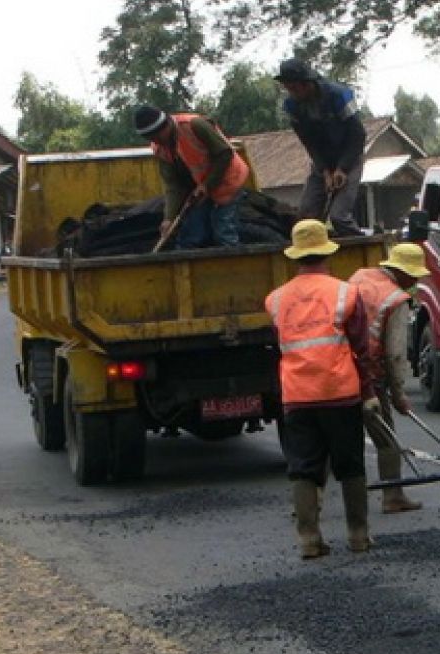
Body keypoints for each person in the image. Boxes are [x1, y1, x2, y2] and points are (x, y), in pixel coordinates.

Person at [265, 219, 377, 558]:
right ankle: (358, 535)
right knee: (350, 465)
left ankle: (309, 540)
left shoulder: (276, 299)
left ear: (296, 256)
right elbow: (361, 346)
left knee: (303, 467)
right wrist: (369, 392)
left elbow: (280, 343)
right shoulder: (345, 292)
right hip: (340, 391)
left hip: (297, 395)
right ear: (328, 251)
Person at [349, 244, 430, 513]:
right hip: (370, 376)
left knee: (334, 437)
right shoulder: (395, 300)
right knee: (385, 438)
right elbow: (395, 354)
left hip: (339, 369)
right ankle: (393, 495)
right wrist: (399, 394)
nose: (416, 281)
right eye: (415, 276)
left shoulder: (359, 277)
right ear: (404, 273)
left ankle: (313, 499)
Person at [134, 105, 250, 249]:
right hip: (201, 190)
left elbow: (225, 153)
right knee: (191, 236)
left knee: (224, 232)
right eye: (151, 139)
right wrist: (169, 218)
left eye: (157, 137)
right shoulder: (160, 148)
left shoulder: (194, 125)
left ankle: (234, 266)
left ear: (167, 125)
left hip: (228, 181)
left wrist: (206, 185)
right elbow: (173, 185)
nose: (156, 141)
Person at [274, 58, 367, 238]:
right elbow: (308, 142)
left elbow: (358, 135)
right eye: (288, 89)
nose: (291, 93)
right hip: (322, 163)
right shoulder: (292, 107)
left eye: (294, 88)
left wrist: (342, 168)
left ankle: (364, 246)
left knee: (339, 217)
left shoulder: (339, 96)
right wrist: (324, 171)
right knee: (306, 219)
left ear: (307, 84)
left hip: (350, 157)